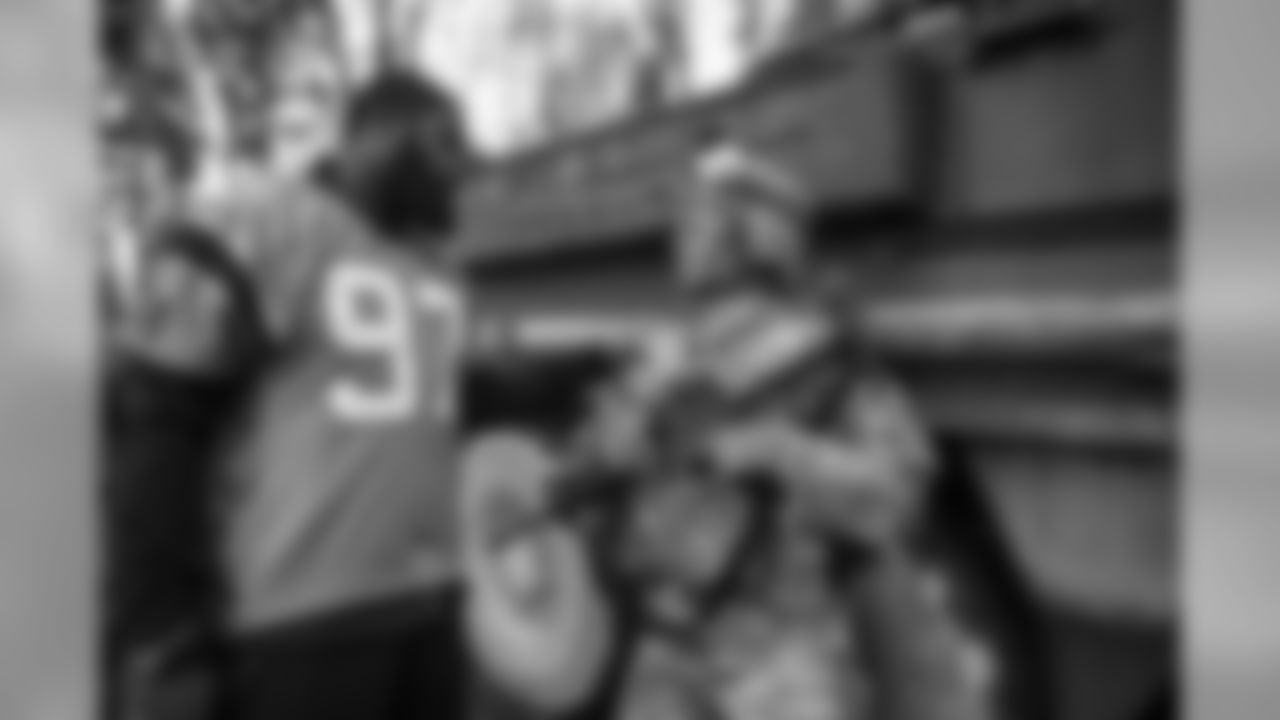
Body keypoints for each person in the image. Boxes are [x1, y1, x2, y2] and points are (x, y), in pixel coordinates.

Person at [106, 65, 474, 720]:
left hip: (429, 608)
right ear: (384, 144)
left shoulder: (434, 272)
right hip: (300, 631)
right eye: (447, 146)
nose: (462, 170)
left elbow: (426, 410)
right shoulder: (271, 217)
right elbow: (160, 414)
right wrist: (163, 628)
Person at [599, 141, 995, 720]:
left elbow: (901, 490)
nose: (678, 236)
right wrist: (620, 452)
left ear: (749, 236)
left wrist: (785, 453)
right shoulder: (667, 355)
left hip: (777, 662)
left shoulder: (819, 359)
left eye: (697, 218)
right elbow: (619, 491)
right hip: (665, 646)